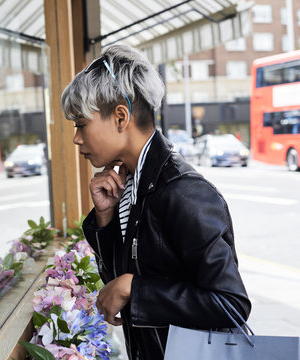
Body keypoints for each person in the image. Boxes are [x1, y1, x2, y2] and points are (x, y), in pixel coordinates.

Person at [61, 44, 251, 359]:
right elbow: (117, 287)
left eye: (81, 124)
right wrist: (105, 219)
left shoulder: (183, 192)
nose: (76, 138)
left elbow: (230, 304)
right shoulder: (132, 183)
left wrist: (134, 287)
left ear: (120, 117)